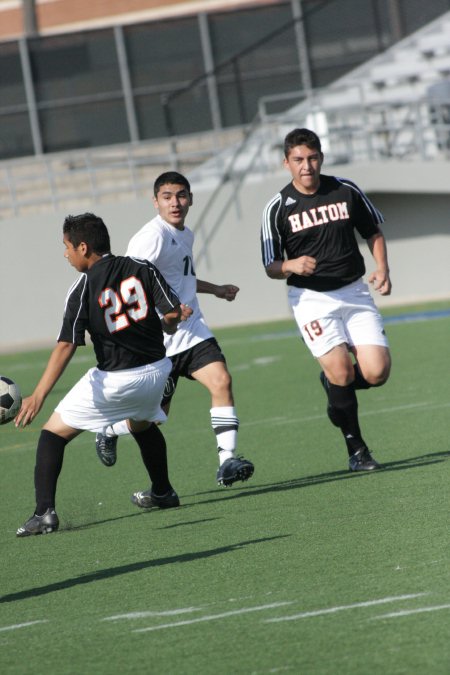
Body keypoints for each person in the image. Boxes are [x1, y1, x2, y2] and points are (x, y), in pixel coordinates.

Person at [15, 213, 192, 537]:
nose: (66, 254)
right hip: (157, 374)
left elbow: (67, 344)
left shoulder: (83, 287)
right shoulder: (142, 267)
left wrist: (38, 394)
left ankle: (44, 513)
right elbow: (170, 316)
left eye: (67, 247)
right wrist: (170, 321)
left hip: (117, 381)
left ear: (83, 247)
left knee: (52, 434)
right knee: (142, 424)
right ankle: (163, 491)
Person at [95, 171, 254, 490]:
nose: (175, 202)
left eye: (181, 195)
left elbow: (182, 279)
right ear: (155, 202)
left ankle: (227, 461)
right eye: (167, 196)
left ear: (191, 198)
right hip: (158, 342)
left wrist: (217, 289)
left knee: (221, 380)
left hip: (193, 332)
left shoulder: (185, 234)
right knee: (153, 419)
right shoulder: (150, 237)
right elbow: (130, 287)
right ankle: (110, 430)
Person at [260, 128, 392, 471]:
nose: (307, 166)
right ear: (286, 163)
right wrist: (290, 264)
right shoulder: (277, 208)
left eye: (313, 158)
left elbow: (373, 231)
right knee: (342, 373)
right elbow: (271, 265)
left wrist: (382, 269)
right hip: (311, 299)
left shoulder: (345, 190)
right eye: (299, 160)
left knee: (377, 373)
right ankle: (357, 450)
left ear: (322, 158)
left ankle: (334, 387)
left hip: (355, 291)